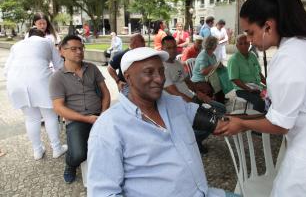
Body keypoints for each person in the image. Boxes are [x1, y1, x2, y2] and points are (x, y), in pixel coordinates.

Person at [214, 0, 306, 196]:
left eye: (250, 32)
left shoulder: (290, 56)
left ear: (268, 26)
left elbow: (280, 124)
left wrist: (242, 123)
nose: (249, 39)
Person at [86, 46, 240, 197]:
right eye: (149, 72)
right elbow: (103, 192)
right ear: (128, 77)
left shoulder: (175, 103)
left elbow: (216, 122)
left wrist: (250, 120)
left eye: (161, 71)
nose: (160, 79)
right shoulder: (108, 128)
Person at [49, 35, 110, 183]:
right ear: (61, 51)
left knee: (114, 146)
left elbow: (105, 92)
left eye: (81, 48)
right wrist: (87, 119)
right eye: (73, 49)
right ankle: (70, 164)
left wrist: (103, 114)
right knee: (78, 154)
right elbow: (58, 107)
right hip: (77, 119)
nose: (79, 52)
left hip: (100, 114)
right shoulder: (57, 77)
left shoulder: (92, 68)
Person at [4, 28, 67, 160]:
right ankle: (56, 148)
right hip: (40, 80)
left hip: (15, 82)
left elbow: (6, 70)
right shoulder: (47, 42)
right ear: (43, 35)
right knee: (50, 115)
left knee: (31, 118)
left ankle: (37, 151)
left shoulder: (16, 45)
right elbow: (59, 65)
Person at [161, 36, 226, 154]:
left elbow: (188, 81)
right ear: (162, 49)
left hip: (191, 97)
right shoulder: (162, 68)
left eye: (174, 47)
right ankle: (193, 138)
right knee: (211, 121)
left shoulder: (177, 63)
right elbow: (173, 92)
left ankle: (195, 135)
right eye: (168, 48)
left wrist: (199, 94)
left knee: (221, 108)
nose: (172, 50)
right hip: (180, 103)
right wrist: (192, 102)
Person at [227, 34, 266, 113]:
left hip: (257, 86)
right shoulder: (233, 60)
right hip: (242, 89)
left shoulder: (252, 56)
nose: (244, 46)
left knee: (271, 96)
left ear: (249, 44)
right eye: (241, 44)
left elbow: (259, 73)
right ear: (237, 46)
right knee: (260, 102)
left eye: (246, 43)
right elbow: (235, 79)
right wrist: (249, 89)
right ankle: (255, 121)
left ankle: (266, 118)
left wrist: (268, 84)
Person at [191, 36, 226, 104]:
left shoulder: (212, 54)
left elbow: (214, 67)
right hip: (199, 80)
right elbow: (203, 72)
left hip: (209, 79)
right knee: (213, 89)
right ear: (213, 45)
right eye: (216, 44)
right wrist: (215, 65)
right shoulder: (203, 55)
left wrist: (219, 66)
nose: (217, 46)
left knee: (221, 86)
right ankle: (215, 107)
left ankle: (219, 106)